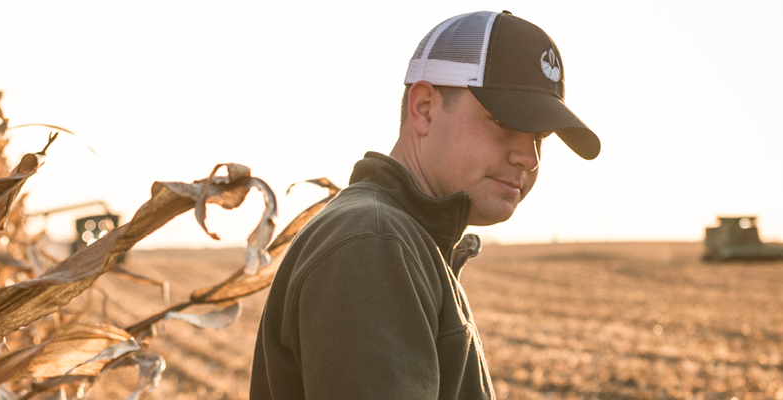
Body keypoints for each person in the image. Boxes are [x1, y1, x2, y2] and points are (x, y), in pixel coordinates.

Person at [250, 10, 601, 399]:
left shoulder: (406, 240)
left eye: (541, 137)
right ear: (424, 109)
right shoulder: (373, 242)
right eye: (504, 122)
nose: (528, 158)